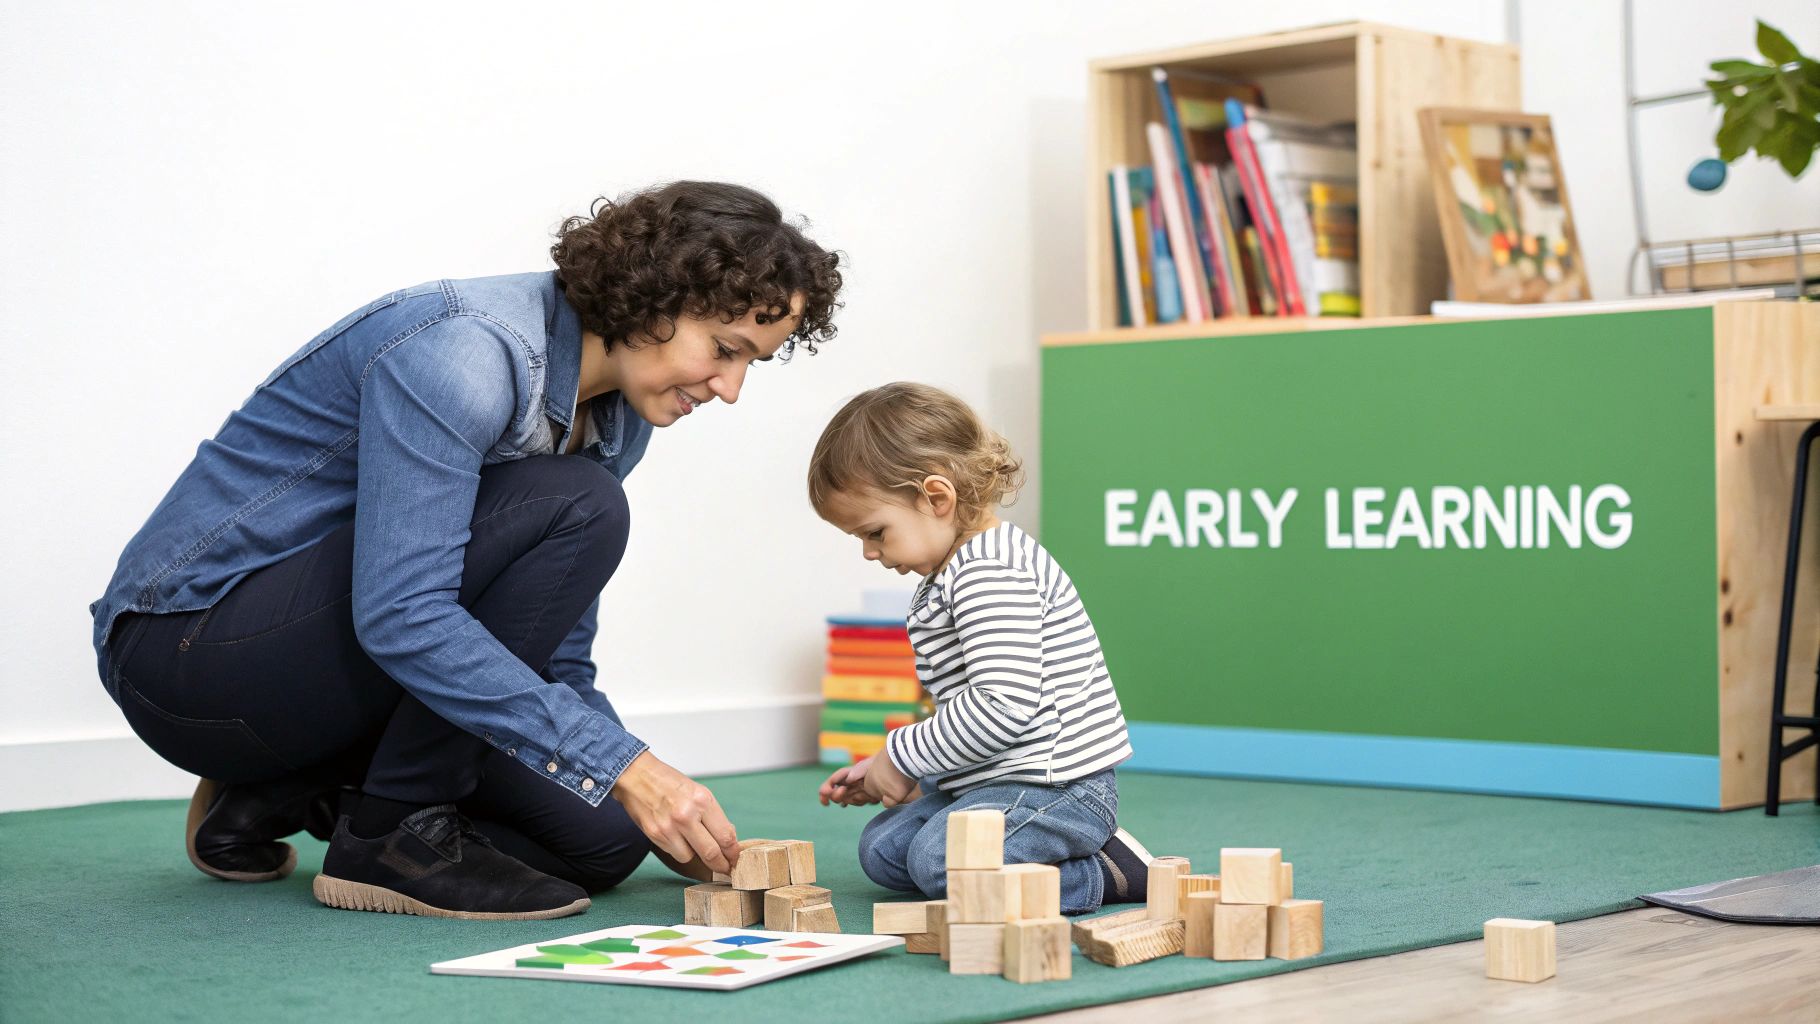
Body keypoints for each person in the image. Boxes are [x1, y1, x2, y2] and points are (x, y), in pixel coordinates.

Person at [90, 181, 843, 920]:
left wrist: (633, 783)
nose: (733, 388)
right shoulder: (465, 354)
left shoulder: (618, 415)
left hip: (327, 675)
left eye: (753, 362)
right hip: (190, 657)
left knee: (603, 840)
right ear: (651, 297)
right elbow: (402, 615)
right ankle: (390, 832)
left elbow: (553, 647)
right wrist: (625, 768)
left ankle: (294, 787)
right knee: (580, 507)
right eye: (724, 348)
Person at [806, 383, 1153, 914]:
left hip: (1058, 787)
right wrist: (891, 768)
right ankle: (1043, 858)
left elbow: (1001, 706)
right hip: (999, 781)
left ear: (936, 498)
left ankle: (1100, 873)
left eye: (875, 532)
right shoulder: (956, 570)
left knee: (940, 864)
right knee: (882, 851)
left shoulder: (992, 573)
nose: (869, 552)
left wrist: (900, 757)